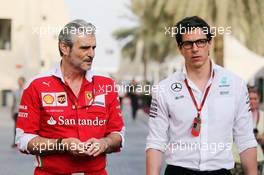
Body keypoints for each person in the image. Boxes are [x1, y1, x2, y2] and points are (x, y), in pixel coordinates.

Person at [146, 16, 257, 175]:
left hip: (220, 171)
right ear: (180, 48)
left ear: (209, 44)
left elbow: (245, 139)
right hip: (179, 170)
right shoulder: (164, 89)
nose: (195, 48)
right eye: (188, 43)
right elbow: (155, 142)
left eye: (201, 42)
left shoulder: (235, 85)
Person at [15, 19, 125, 175]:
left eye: (94, 48)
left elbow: (118, 134)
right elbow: (23, 140)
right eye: (85, 48)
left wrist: (104, 143)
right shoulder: (36, 85)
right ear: (64, 48)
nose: (92, 54)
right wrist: (62, 145)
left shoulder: (106, 84)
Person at [11, 76, 25, 148]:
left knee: (23, 128)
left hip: (24, 111)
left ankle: (22, 141)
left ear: (23, 82)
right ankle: (15, 142)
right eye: (18, 82)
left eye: (20, 82)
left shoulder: (26, 90)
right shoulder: (15, 91)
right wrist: (12, 112)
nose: (19, 83)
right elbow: (13, 102)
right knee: (16, 127)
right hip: (17, 111)